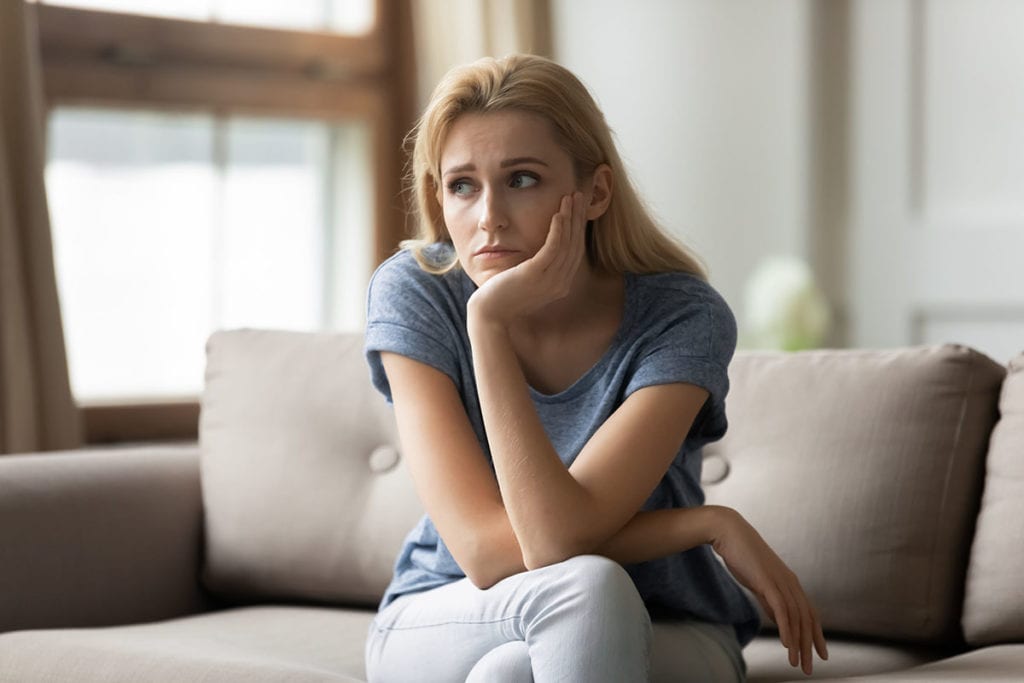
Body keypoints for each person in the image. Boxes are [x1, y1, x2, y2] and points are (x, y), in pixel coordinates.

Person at [363, 53, 828, 682]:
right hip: (450, 610)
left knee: (519, 664)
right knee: (584, 586)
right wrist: (701, 524)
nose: (488, 217)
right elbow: (484, 552)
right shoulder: (417, 292)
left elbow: (554, 543)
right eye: (462, 185)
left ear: (594, 193)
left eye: (522, 179)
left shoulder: (681, 319)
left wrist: (491, 327)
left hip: (668, 621)